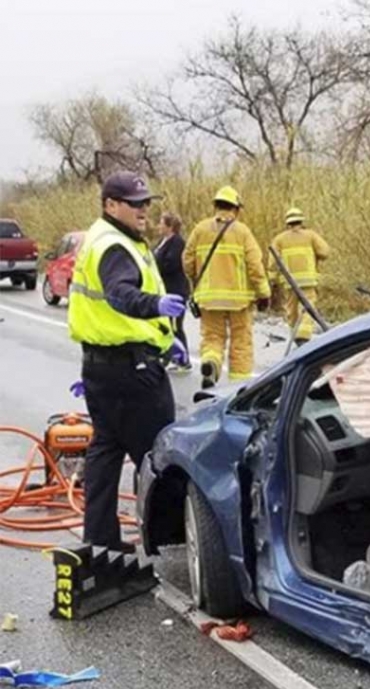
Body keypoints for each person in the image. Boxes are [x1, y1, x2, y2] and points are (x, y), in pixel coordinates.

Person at [67, 171, 187, 551]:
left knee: (106, 450)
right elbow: (120, 294)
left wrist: (166, 345)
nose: (143, 210)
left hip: (103, 366)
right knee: (158, 453)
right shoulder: (115, 246)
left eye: (146, 202)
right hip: (132, 372)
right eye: (135, 203)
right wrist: (155, 306)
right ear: (110, 205)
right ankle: (170, 540)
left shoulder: (105, 238)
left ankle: (101, 541)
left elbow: (105, 310)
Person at [182, 186, 270, 388]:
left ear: (216, 206)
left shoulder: (200, 229)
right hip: (239, 302)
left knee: (212, 338)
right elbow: (255, 265)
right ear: (236, 209)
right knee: (241, 342)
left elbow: (187, 261)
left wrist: (198, 280)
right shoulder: (242, 232)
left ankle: (211, 363)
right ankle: (238, 387)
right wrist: (264, 293)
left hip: (208, 300)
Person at [268, 207, 331, 346]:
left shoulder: (279, 239)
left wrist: (272, 280)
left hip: (290, 283)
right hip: (308, 281)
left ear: (287, 223)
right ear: (301, 221)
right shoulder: (311, 235)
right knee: (308, 308)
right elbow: (325, 252)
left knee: (291, 310)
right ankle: (303, 336)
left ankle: (295, 335)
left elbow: (272, 264)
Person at [154, 212, 191, 372]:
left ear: (169, 226)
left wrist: (156, 264)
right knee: (166, 326)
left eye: (161, 223)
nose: (159, 226)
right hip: (165, 291)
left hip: (176, 291)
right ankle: (169, 357)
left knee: (176, 327)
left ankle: (184, 360)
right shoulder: (162, 242)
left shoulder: (177, 243)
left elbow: (171, 264)